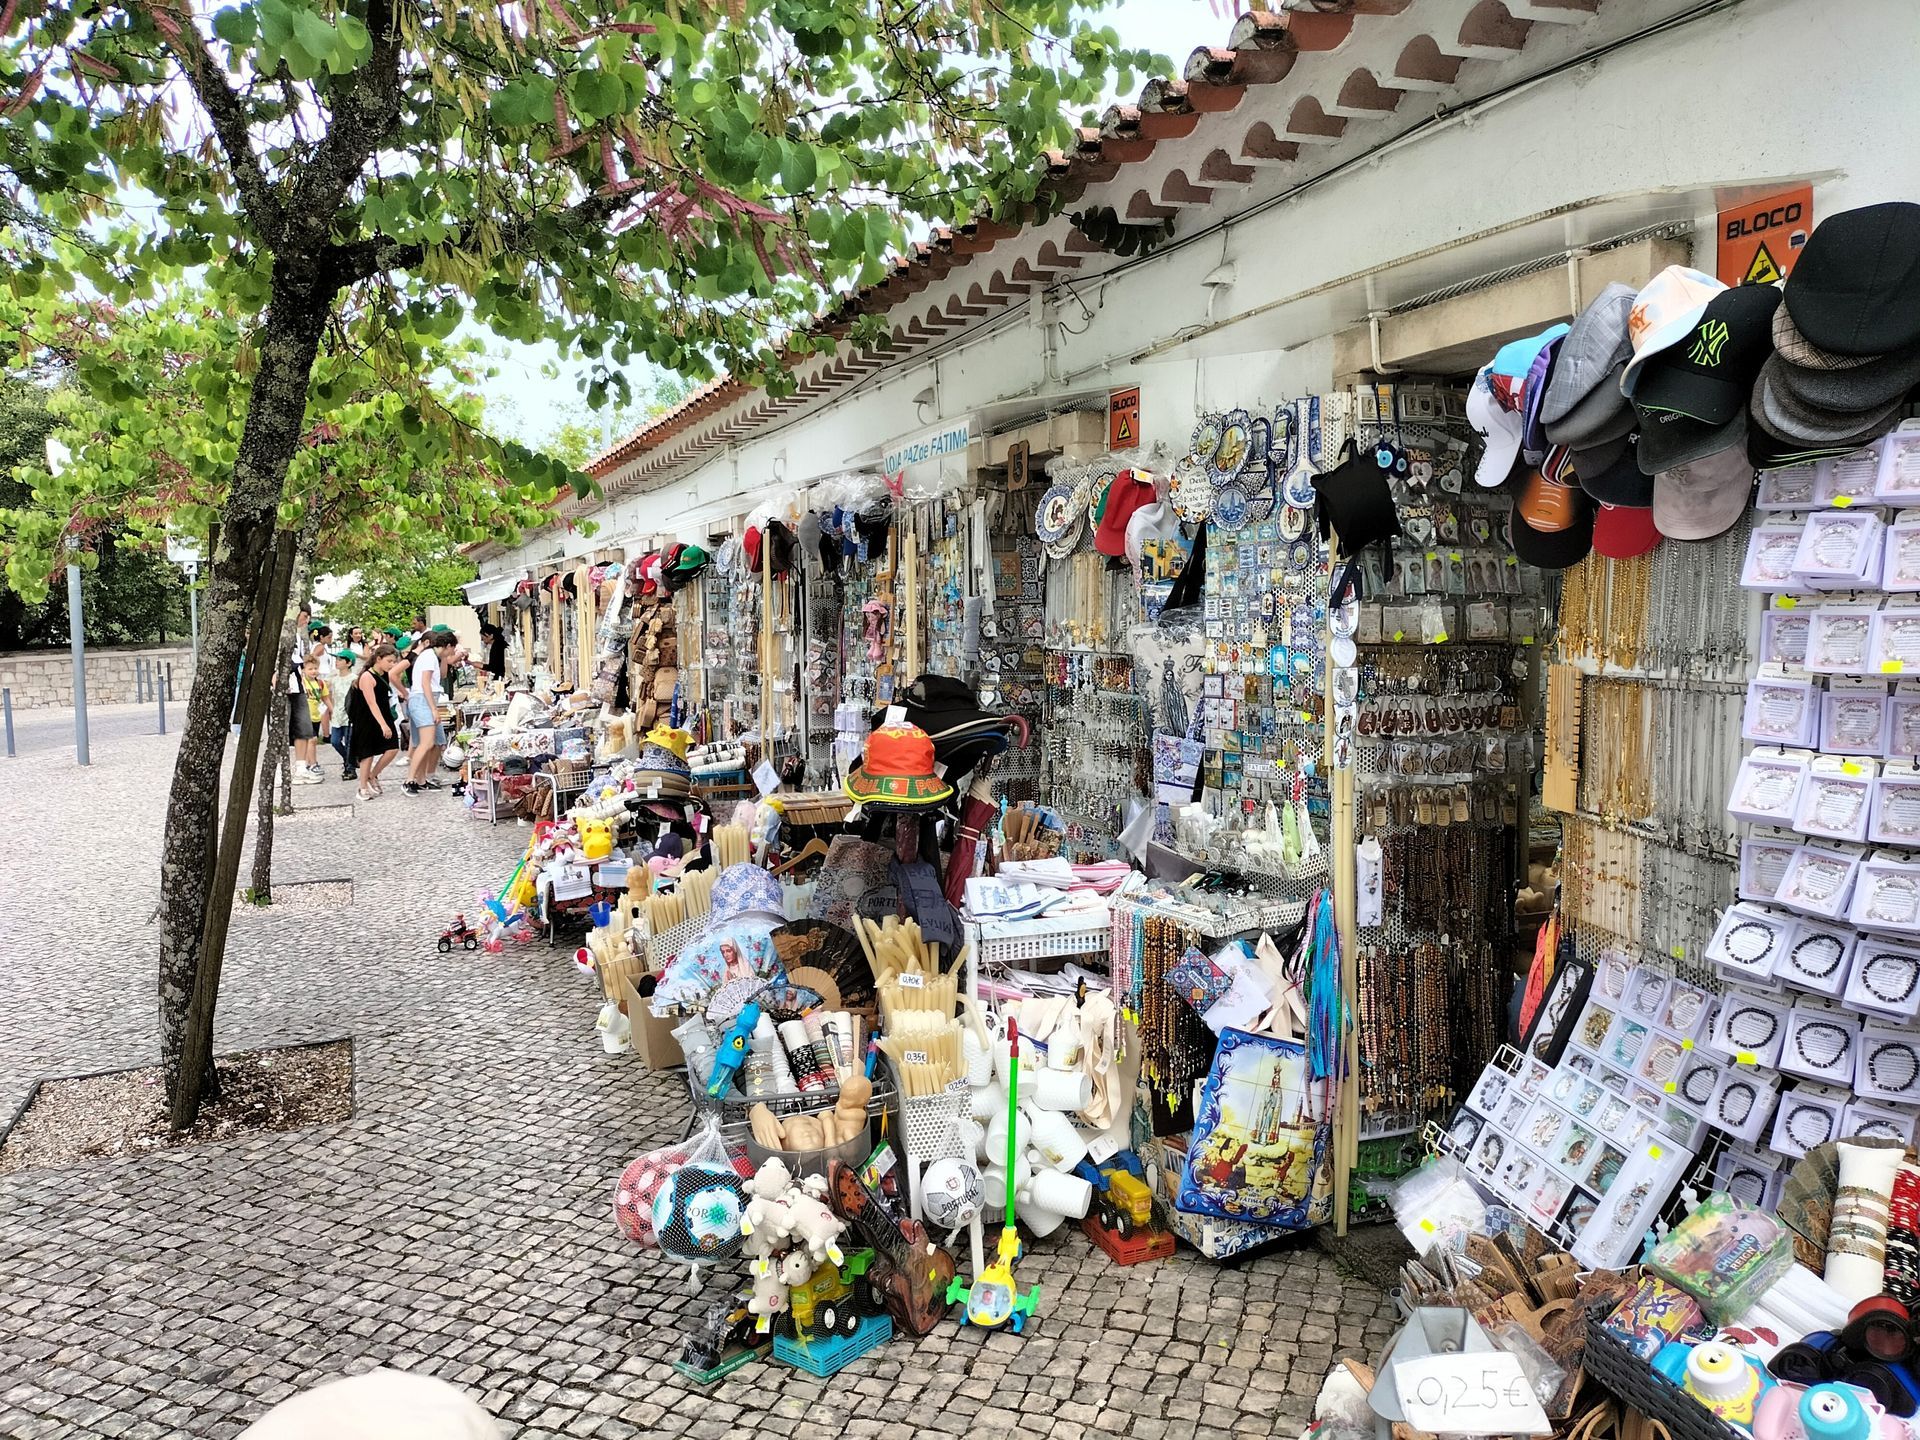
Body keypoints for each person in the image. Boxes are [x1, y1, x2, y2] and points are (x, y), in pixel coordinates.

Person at [403, 630, 457, 794]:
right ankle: (409, 780)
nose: (453, 652)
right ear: (447, 646)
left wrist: (445, 658)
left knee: (432, 742)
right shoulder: (428, 656)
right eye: (452, 649)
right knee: (425, 743)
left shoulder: (434, 657)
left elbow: (442, 674)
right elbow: (425, 682)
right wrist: (433, 709)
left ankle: (421, 779)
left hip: (427, 700)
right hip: (422, 700)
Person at [347, 645, 401, 800]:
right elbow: (371, 703)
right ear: (378, 659)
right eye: (389, 661)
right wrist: (383, 724)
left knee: (392, 748)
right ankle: (362, 787)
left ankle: (373, 775)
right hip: (366, 719)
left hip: (384, 714)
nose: (392, 665)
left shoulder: (384, 674)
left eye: (393, 661)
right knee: (367, 754)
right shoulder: (367, 677)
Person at [291, 653, 327, 783]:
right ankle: (312, 764)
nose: (313, 671)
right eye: (310, 669)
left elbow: (325, 698)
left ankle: (306, 764)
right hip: (306, 715)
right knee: (311, 739)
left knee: (311, 740)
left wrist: (331, 710)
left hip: (316, 716)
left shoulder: (321, 683)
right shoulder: (302, 682)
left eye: (315, 668)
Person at [326, 649, 356, 780]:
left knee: (349, 742)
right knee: (335, 741)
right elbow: (331, 695)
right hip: (337, 714)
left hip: (349, 715)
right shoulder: (334, 679)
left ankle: (350, 768)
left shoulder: (354, 679)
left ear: (348, 663)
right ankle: (349, 759)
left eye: (340, 659)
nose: (337, 662)